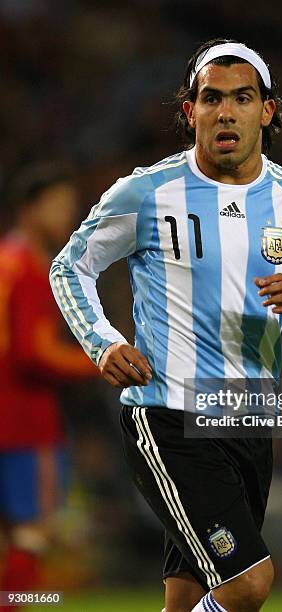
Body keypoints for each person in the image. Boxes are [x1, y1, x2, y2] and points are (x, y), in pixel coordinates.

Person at [49, 39, 282, 612]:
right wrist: (103, 342)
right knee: (247, 584)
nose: (225, 112)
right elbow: (71, 267)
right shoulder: (148, 192)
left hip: (249, 422)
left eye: (242, 98)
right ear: (189, 110)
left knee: (188, 598)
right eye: (210, 98)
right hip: (167, 416)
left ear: (267, 111)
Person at [0, 163, 97, 610]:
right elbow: (32, 353)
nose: (66, 216)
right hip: (24, 420)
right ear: (28, 209)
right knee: (33, 534)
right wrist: (100, 360)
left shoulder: (5, 259)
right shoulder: (31, 269)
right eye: (57, 205)